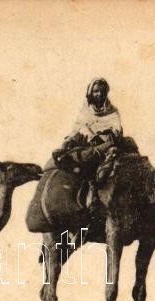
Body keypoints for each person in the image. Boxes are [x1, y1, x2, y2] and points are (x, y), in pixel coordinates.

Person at [52, 77, 123, 208]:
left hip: (104, 144)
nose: (99, 94)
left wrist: (101, 136)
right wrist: (69, 141)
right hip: (86, 142)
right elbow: (78, 128)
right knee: (71, 149)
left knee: (108, 155)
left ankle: (94, 188)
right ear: (90, 92)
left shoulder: (113, 112)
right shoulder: (85, 111)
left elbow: (116, 130)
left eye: (102, 91)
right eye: (96, 91)